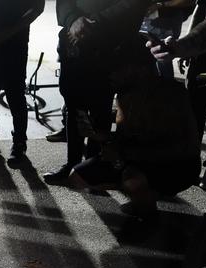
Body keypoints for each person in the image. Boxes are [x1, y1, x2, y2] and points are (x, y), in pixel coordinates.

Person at [69, 63, 201, 218]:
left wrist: (122, 153)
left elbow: (176, 148)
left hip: (178, 164)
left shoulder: (167, 95)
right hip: (136, 156)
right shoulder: (126, 93)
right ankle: (142, 196)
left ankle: (148, 216)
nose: (110, 76)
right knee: (77, 177)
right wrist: (100, 135)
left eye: (116, 71)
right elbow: (130, 135)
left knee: (133, 179)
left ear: (138, 69)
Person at [44, 0, 151, 185]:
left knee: (101, 108)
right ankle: (73, 164)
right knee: (73, 105)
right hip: (75, 44)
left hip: (111, 46)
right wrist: (73, 19)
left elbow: (134, 5)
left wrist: (89, 23)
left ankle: (93, 166)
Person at [150, 0, 206, 191]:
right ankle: (189, 165)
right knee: (194, 110)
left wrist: (180, 48)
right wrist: (189, 50)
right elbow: (203, 11)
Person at [0, 0, 45, 169]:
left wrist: (11, 30)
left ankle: (19, 143)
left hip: (15, 44)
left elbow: (37, 8)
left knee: (15, 96)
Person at [140, 0, 195, 78]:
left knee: (163, 56)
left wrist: (161, 4)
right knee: (148, 57)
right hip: (148, 18)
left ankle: (167, 83)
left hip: (167, 18)